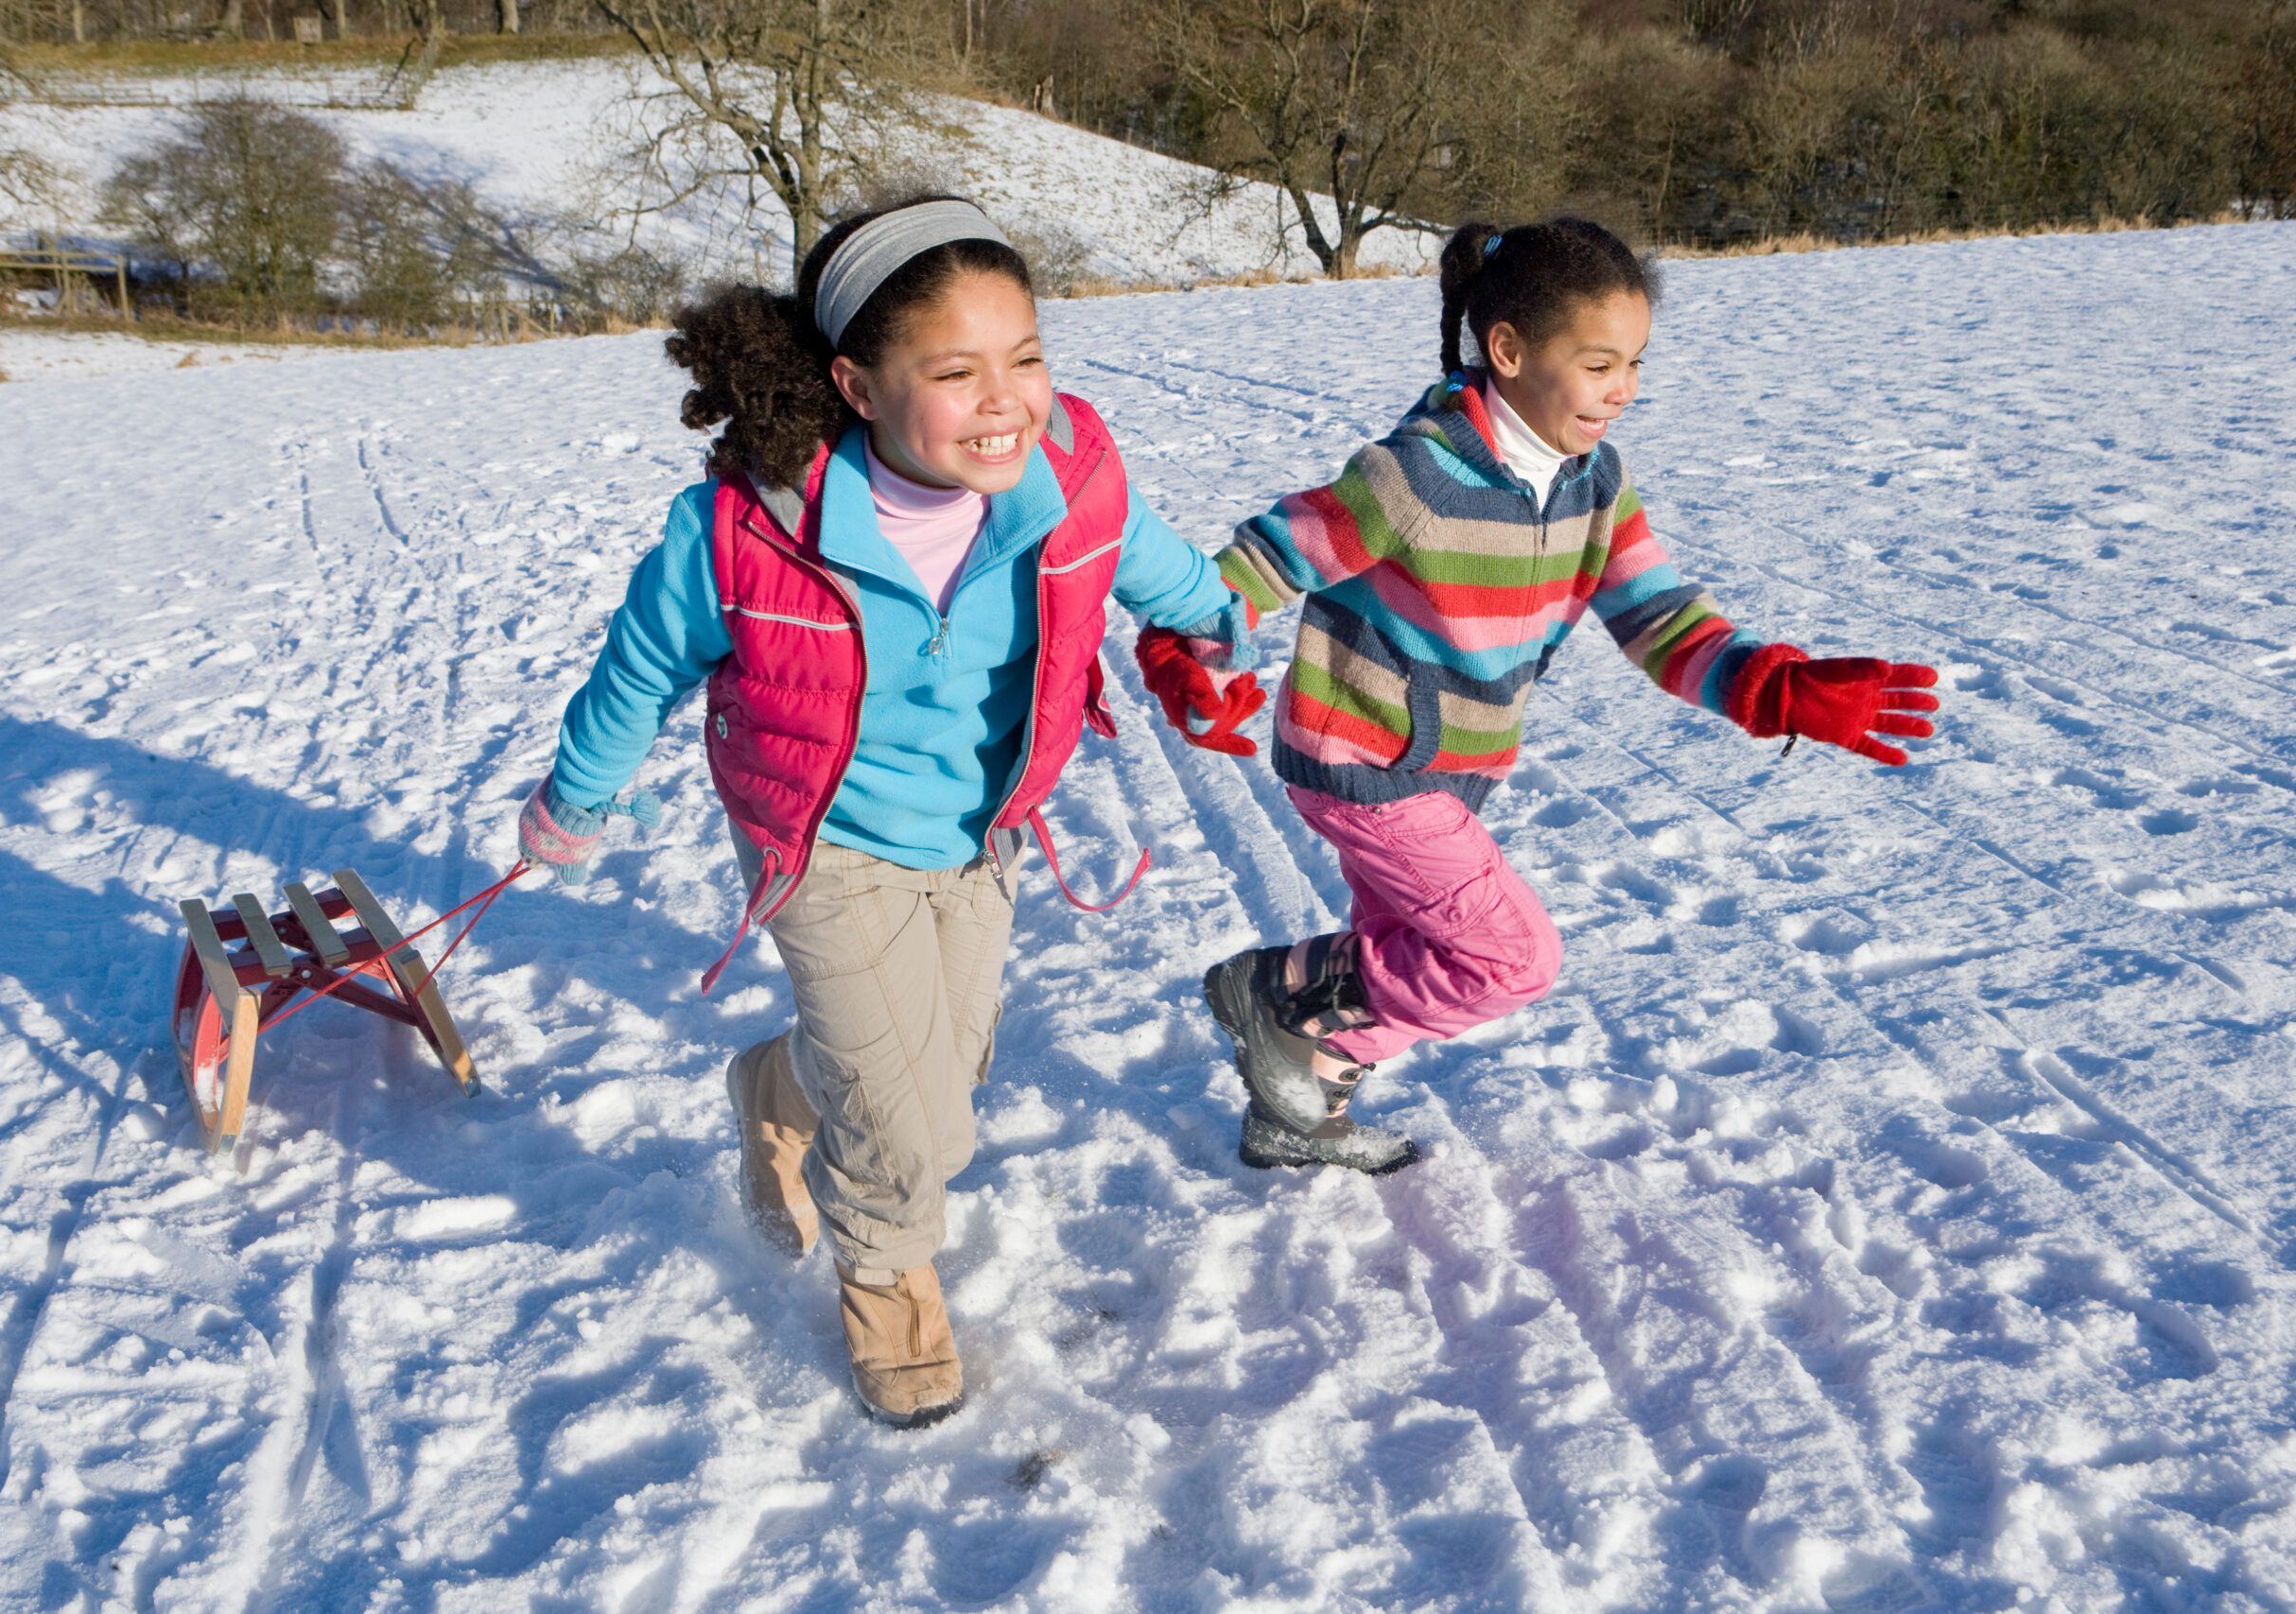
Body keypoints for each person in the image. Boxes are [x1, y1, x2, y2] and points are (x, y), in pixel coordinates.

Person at [514, 197, 1253, 1429]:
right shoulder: (748, 529)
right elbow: (639, 667)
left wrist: (1208, 621)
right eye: (956, 373)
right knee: (906, 1116)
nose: (1008, 398)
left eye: (1024, 358)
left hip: (980, 830)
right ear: (858, 383)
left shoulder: (1069, 473)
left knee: (942, 1069)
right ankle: (886, 1274)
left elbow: (1151, 556)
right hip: (823, 839)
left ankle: (775, 1088)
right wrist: (575, 799)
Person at [1133, 217, 1941, 1174]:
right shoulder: (1415, 475)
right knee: (1507, 959)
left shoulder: (1594, 483)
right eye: (1599, 363)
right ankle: (1278, 996)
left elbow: (1663, 621)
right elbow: (1271, 555)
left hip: (1454, 767)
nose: (1623, 389)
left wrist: (1774, 688)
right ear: (1509, 351)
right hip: (1362, 757)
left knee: (1409, 945)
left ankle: (1296, 1104)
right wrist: (1189, 645)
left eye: (1634, 362)